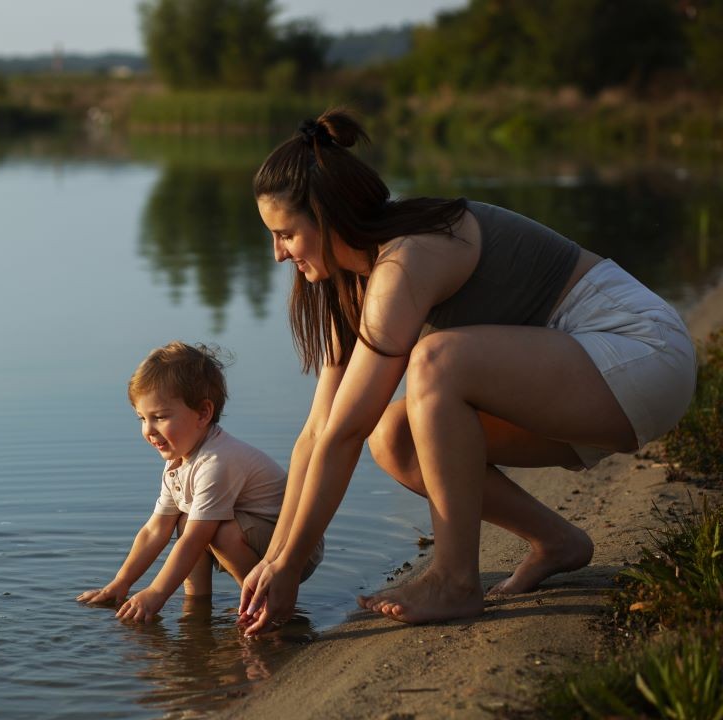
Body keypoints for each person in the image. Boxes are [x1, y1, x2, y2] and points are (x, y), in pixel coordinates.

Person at [237, 107, 697, 637]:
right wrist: (273, 563)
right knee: (395, 435)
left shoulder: (406, 260)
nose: (277, 254)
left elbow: (343, 434)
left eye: (286, 234)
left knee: (437, 361)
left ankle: (454, 581)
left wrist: (292, 567)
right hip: (576, 381)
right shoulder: (353, 284)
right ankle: (556, 541)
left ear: (327, 217)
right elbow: (320, 430)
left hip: (639, 352)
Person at [77, 341, 323, 623]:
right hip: (257, 538)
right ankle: (196, 607)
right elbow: (155, 530)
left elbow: (196, 539)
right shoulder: (178, 462)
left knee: (213, 531)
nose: (148, 430)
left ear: (203, 413)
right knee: (183, 521)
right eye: (142, 418)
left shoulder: (217, 462)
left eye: (159, 417)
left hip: (294, 552)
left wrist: (156, 592)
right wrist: (120, 583)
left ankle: (263, 603)